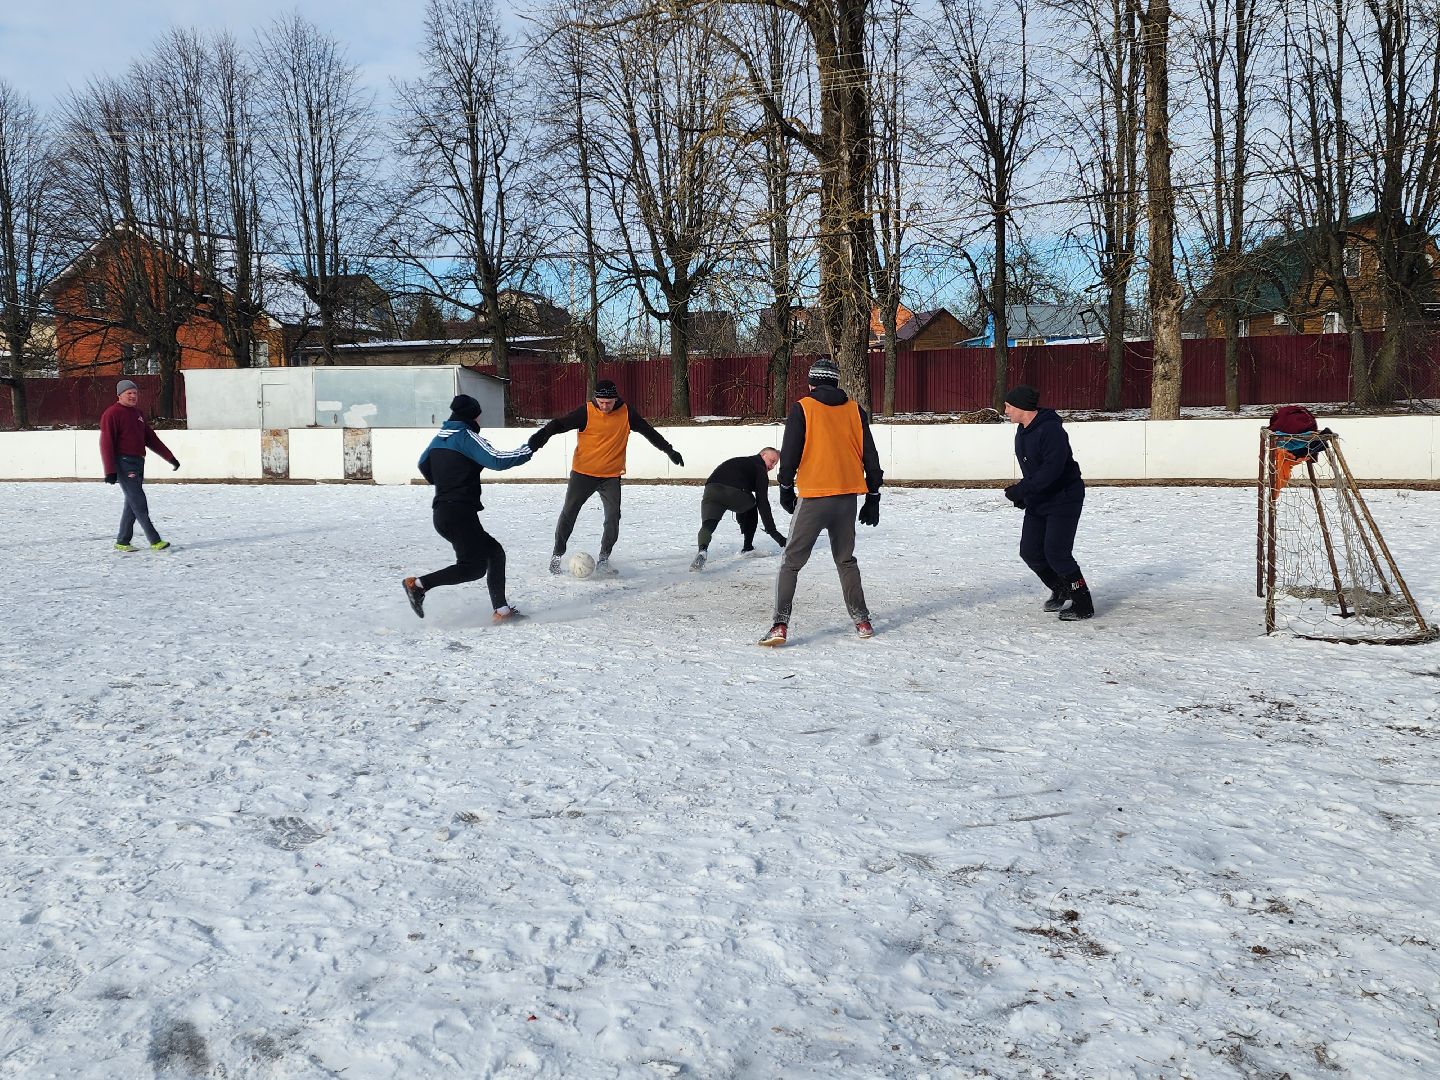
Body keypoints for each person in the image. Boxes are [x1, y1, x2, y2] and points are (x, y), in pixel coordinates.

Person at [760, 356, 883, 646]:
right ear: (836, 382)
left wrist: (785, 486)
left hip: (815, 496)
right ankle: (862, 620)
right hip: (846, 498)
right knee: (845, 559)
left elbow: (790, 452)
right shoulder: (855, 410)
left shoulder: (803, 408)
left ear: (812, 383)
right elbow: (871, 456)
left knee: (791, 561)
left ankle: (779, 625)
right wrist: (873, 495)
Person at [527, 379, 684, 576]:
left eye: (608, 402)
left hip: (611, 476)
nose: (604, 406)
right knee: (569, 512)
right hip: (583, 474)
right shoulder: (586, 411)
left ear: (615, 399)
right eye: (600, 402)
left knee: (613, 517)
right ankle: (557, 556)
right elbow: (559, 424)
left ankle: (604, 559)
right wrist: (540, 438)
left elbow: (649, 432)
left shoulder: (627, 413)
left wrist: (669, 451)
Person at [402, 395, 534, 623]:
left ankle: (502, 611)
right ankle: (418, 585)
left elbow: (423, 464)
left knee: (494, 552)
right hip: (459, 513)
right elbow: (497, 460)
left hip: (444, 512)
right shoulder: (466, 437)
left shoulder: (439, 437)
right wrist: (530, 448)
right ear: (474, 415)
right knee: (472, 568)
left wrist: (446, 481)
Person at [1001, 384, 1094, 620]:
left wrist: (1022, 490)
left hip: (1064, 497)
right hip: (1040, 498)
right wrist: (1026, 495)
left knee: (1057, 553)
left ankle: (1083, 603)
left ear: (1022, 407)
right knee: (1030, 551)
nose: (1006, 411)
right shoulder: (1022, 429)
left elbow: (1051, 470)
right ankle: (1061, 588)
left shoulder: (1051, 431)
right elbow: (1033, 469)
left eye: (1009, 406)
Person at [100, 379, 180, 552]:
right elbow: (106, 443)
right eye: (129, 393)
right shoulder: (111, 414)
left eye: (135, 393)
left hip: (138, 462)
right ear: (119, 395)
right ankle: (154, 540)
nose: (133, 396)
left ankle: (122, 541)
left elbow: (151, 439)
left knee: (132, 503)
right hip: (123, 463)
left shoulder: (138, 414)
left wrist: (170, 457)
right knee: (139, 501)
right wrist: (110, 470)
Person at [690, 447, 788, 571]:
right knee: (751, 504)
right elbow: (762, 502)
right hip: (734, 494)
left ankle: (702, 550)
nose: (773, 466)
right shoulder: (760, 469)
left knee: (708, 524)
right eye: (772, 461)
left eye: (775, 463)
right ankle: (747, 547)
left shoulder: (739, 460)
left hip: (711, 489)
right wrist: (775, 534)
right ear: (762, 455)